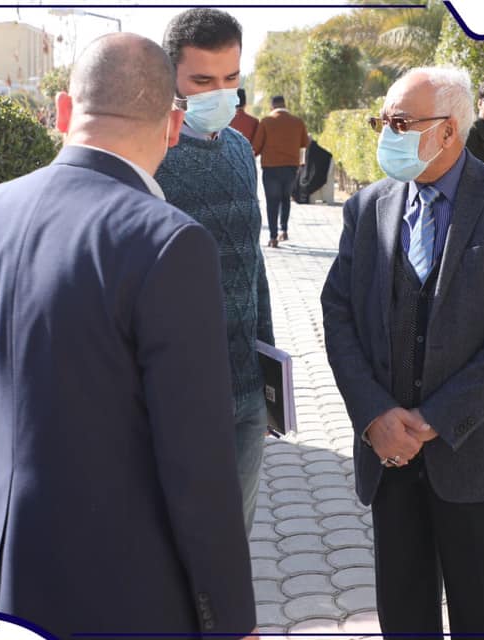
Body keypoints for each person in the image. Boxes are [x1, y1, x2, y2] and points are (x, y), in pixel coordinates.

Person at [0, 33, 256, 636]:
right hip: (130, 593)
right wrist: (232, 617)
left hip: (10, 571)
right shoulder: (170, 240)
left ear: (63, 110)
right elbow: (197, 460)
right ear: (172, 125)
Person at [321, 67, 484, 637]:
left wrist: (435, 419)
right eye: (383, 121)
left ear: (448, 130)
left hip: (481, 458)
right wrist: (374, 414)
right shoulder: (368, 207)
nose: (387, 134)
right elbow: (339, 313)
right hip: (391, 458)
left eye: (401, 123)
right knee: (405, 619)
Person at [156, 8, 274, 532]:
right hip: (180, 399)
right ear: (170, 79)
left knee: (232, 545)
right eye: (202, 81)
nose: (220, 94)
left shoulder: (241, 150)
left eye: (230, 79)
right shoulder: (149, 157)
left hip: (247, 392)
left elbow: (253, 261)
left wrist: (268, 376)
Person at [253, 95, 309, 246]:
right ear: (285, 105)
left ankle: (273, 237)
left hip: (270, 167)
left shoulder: (266, 121)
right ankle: (284, 230)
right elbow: (304, 143)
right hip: (291, 167)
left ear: (272, 106)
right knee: (285, 198)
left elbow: (256, 147)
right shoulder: (297, 122)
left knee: (272, 201)